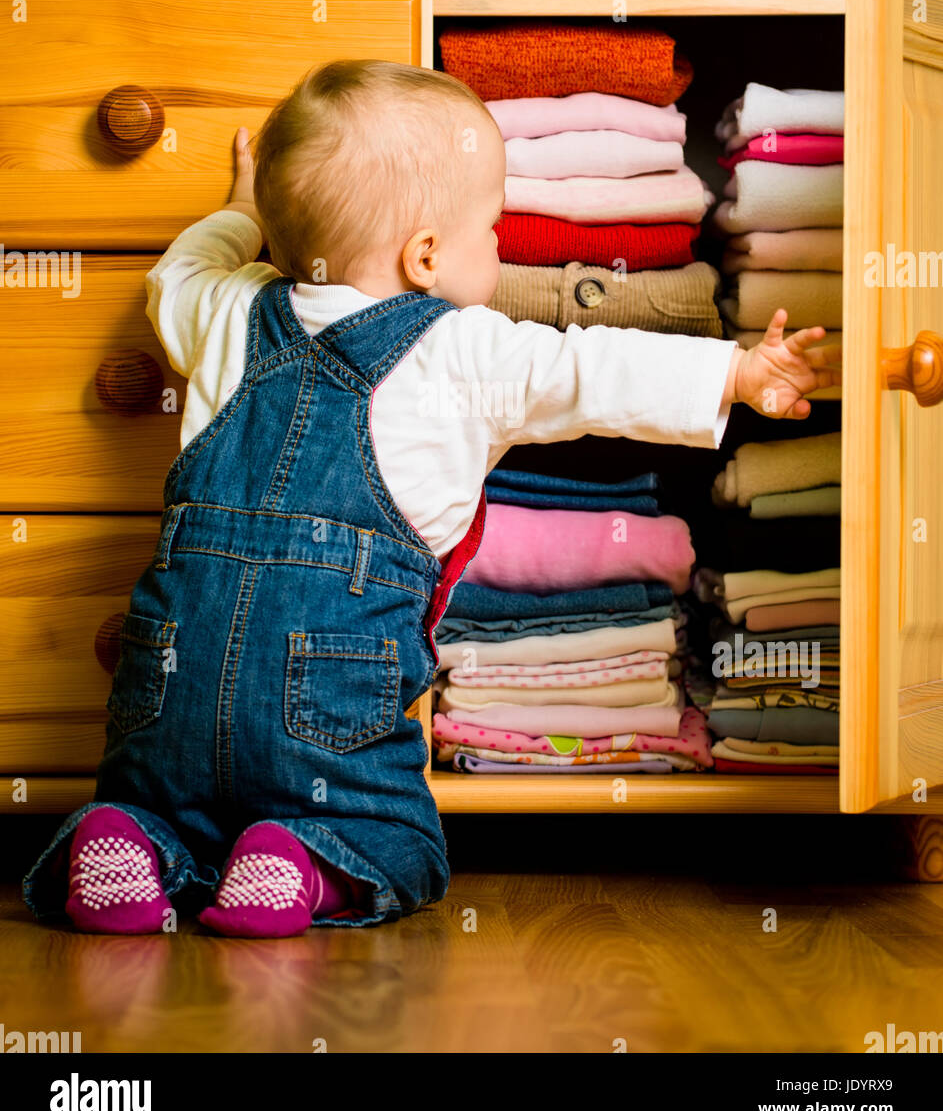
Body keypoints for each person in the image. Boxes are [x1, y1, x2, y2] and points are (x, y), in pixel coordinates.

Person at [22, 60, 841, 936]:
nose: (498, 244)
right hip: (323, 702)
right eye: (489, 228)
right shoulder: (464, 351)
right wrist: (739, 372)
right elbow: (593, 368)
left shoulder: (225, 310)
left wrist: (240, 214)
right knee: (395, 837)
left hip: (165, 681)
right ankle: (304, 855)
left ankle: (129, 833)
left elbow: (173, 278)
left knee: (163, 796)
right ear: (424, 256)